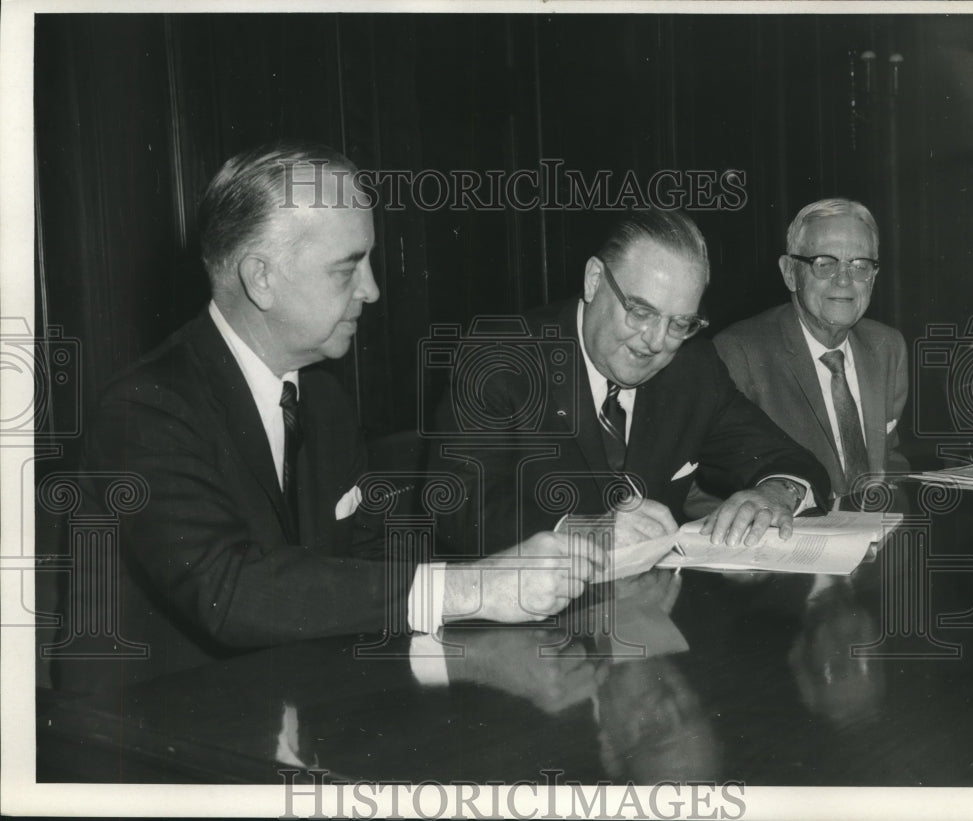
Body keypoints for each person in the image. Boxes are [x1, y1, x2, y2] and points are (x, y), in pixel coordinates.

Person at [52, 141, 600, 692]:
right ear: (260, 279)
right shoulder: (145, 410)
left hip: (298, 704)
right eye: (347, 269)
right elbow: (233, 593)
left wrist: (532, 575)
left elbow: (371, 569)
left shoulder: (325, 401)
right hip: (158, 735)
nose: (373, 290)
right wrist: (473, 589)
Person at [430, 208, 830, 562]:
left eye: (679, 324)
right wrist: (589, 532)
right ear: (593, 280)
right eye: (641, 311)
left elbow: (788, 459)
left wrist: (778, 494)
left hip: (653, 621)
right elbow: (456, 510)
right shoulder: (501, 359)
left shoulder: (692, 368)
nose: (656, 342)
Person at [712, 199, 908, 506]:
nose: (844, 280)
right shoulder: (738, 354)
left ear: (873, 277)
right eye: (824, 263)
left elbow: (890, 459)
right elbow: (705, 491)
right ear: (790, 273)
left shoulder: (888, 347)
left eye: (860, 266)